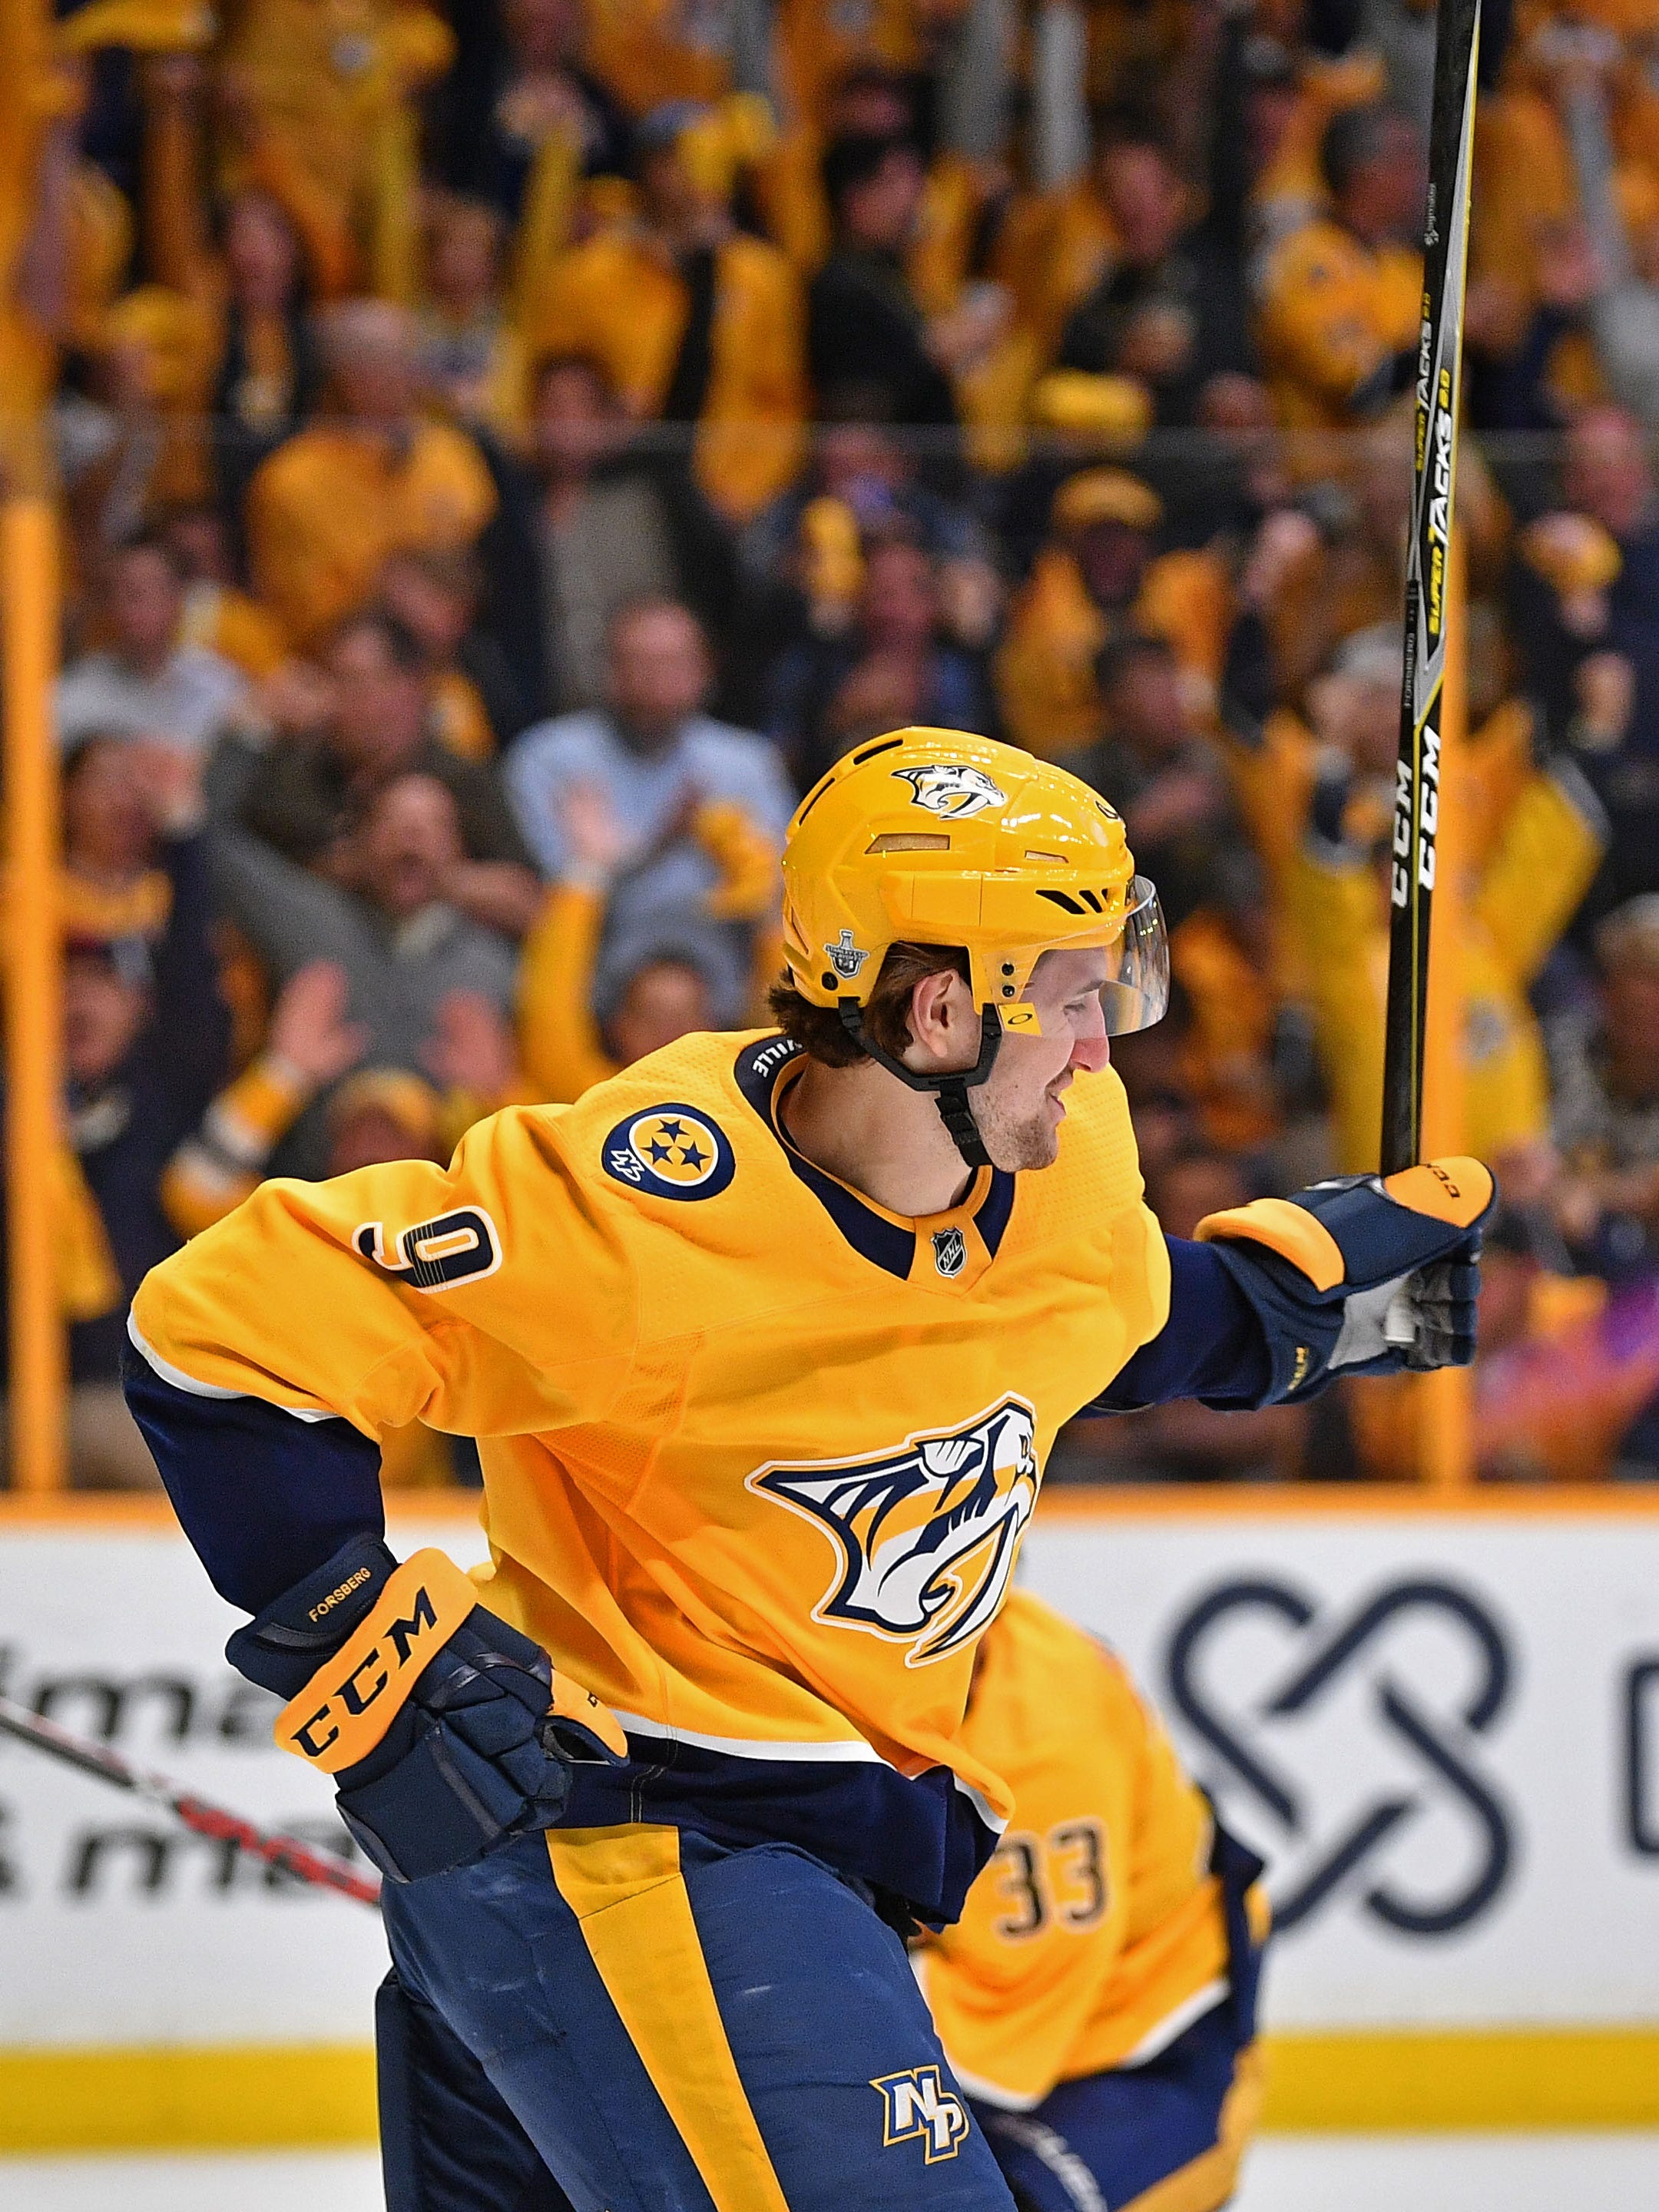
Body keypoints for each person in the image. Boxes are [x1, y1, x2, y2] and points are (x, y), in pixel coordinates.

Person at [124, 729, 1489, 2209]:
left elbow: (1093, 1321)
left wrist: (1303, 1310)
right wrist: (372, 1661)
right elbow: (220, 1340)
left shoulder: (1059, 1152)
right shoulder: (641, 1218)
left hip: (784, 1855)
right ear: (942, 1011)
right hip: (637, 1844)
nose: (1106, 1049)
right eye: (1074, 999)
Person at [915, 1591, 1268, 2210]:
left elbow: (1015, 2003)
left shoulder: (1041, 1751)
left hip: (1147, 2056)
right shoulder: (898, 1667)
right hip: (1016, 2028)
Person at [56, 530, 248, 756]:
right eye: (131, 593)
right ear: (110, 604)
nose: (144, 605)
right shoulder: (73, 697)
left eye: (157, 589)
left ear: (179, 598)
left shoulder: (219, 687)